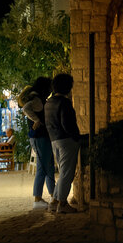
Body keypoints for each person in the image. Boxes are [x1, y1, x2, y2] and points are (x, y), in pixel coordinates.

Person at [44, 73, 81, 214]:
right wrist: (76, 136)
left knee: (62, 172)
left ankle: (54, 201)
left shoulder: (49, 102)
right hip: (66, 140)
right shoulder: (64, 103)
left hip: (54, 140)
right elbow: (68, 124)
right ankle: (62, 204)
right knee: (67, 173)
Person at [22, 77, 55, 209]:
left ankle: (53, 194)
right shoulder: (36, 99)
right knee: (43, 167)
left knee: (49, 166)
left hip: (42, 137)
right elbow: (26, 108)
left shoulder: (36, 97)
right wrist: (36, 120)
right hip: (40, 137)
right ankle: (37, 198)